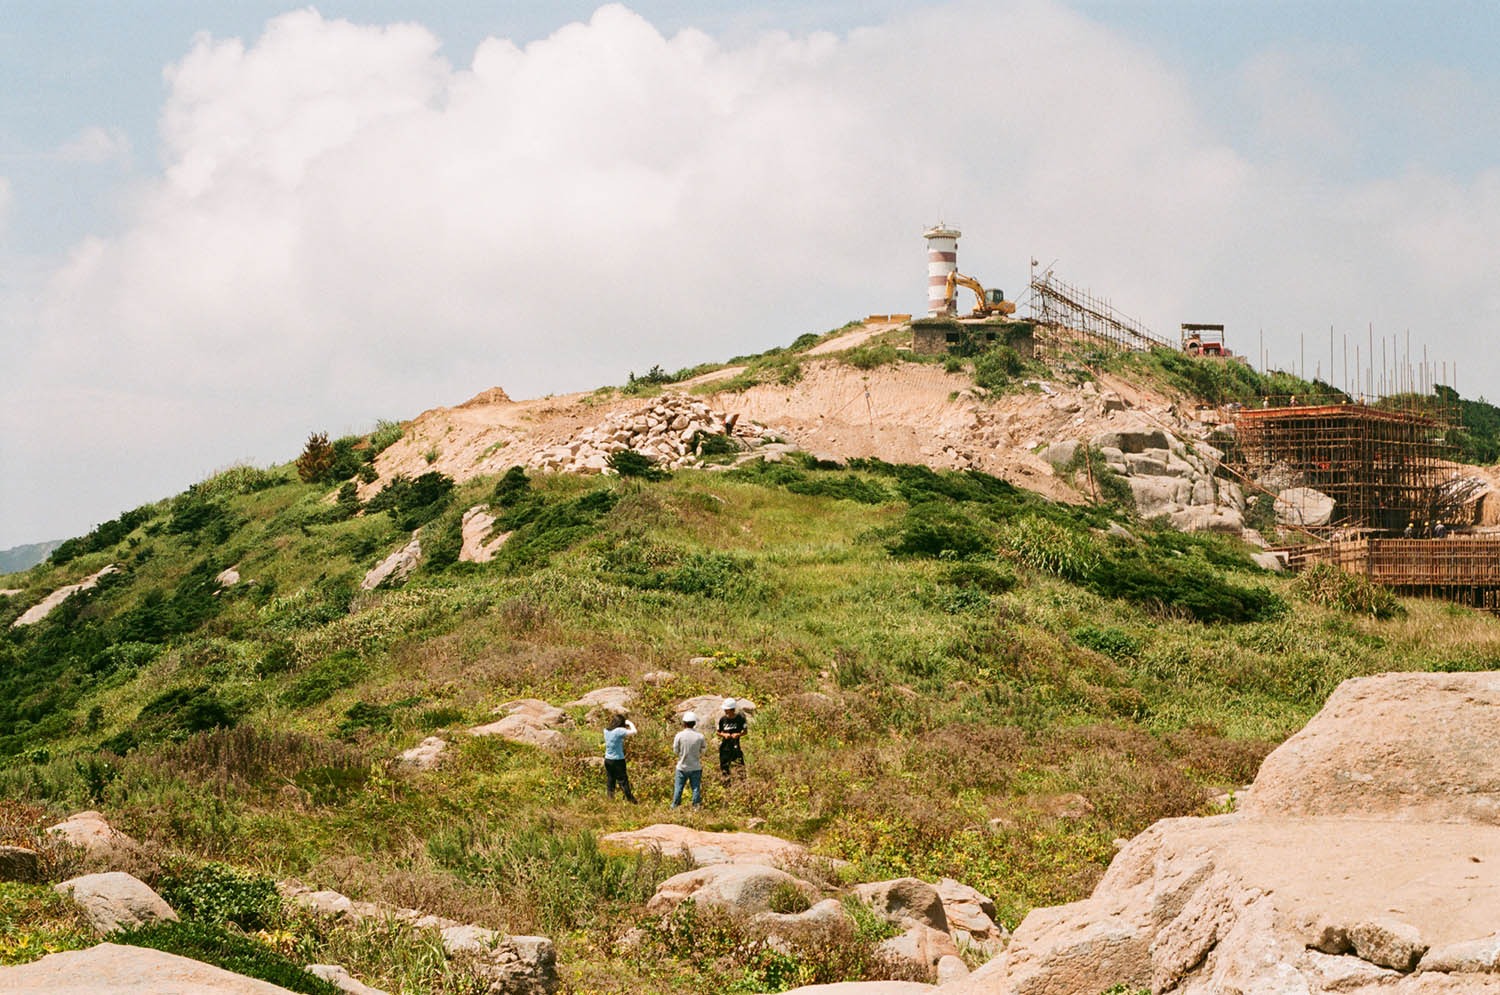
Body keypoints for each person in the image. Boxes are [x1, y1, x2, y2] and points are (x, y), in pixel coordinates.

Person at [671, 711, 706, 808]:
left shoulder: (679, 735)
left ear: (684, 723)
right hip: (695, 767)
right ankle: (696, 807)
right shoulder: (700, 736)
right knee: (695, 788)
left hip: (682, 766)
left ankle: (675, 806)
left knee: (678, 788)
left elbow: (675, 751)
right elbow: (703, 750)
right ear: (694, 723)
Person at [602, 714, 637, 803]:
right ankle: (631, 800)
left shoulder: (606, 730)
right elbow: (634, 731)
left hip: (608, 759)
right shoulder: (619, 731)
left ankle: (610, 799)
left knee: (610, 780)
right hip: (618, 760)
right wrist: (629, 723)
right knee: (623, 781)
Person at [717, 698, 748, 779]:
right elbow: (718, 732)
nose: (725, 711)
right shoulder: (722, 719)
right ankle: (726, 783)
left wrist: (738, 734)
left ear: (732, 710)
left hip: (735, 746)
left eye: (727, 710)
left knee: (740, 766)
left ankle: (743, 784)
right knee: (724, 767)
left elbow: (745, 731)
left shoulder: (740, 718)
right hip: (725, 748)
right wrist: (724, 735)